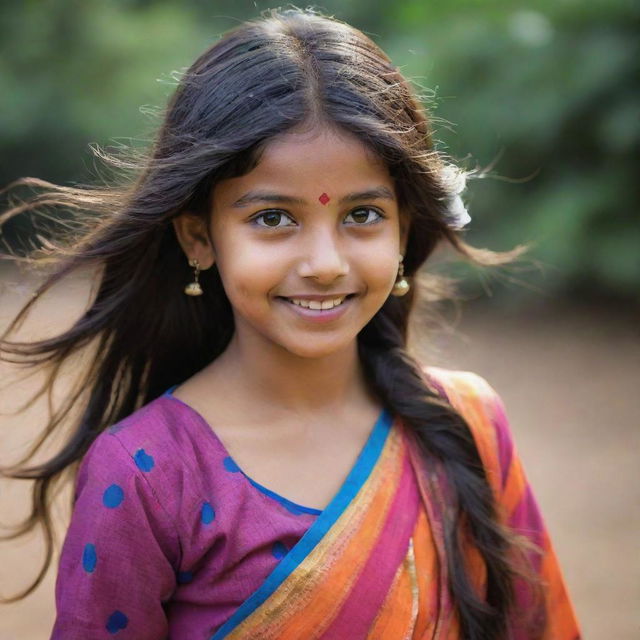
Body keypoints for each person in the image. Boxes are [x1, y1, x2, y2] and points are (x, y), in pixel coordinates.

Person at [0, 8, 581, 640]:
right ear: (200, 237)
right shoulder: (148, 472)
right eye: (274, 218)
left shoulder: (466, 424)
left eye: (363, 215)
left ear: (404, 229)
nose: (326, 265)